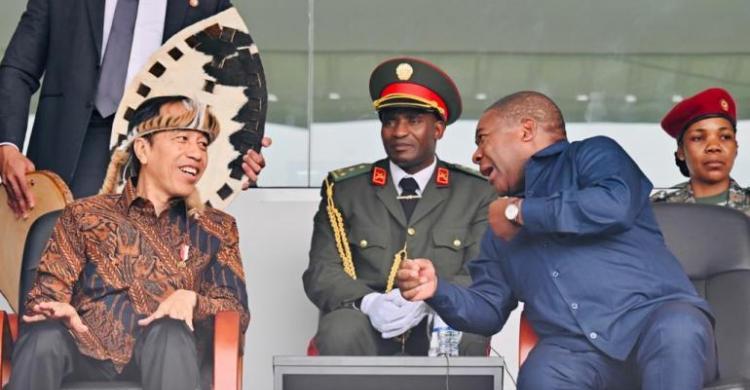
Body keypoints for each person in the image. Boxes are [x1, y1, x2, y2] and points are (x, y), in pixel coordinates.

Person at [398, 91, 718, 389]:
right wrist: (437, 290)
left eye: (483, 139)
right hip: (574, 350)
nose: (476, 154)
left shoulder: (591, 155)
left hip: (653, 323)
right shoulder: (499, 225)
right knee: (542, 372)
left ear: (526, 131)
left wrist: (521, 211)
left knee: (678, 329)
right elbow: (488, 309)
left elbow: (613, 205)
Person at [7, 95, 251, 390]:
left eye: (202, 144)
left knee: (170, 332)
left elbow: (235, 311)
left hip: (166, 356)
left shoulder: (215, 227)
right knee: (42, 335)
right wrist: (57, 310)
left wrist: (193, 300)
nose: (197, 154)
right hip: (85, 350)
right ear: (144, 149)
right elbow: (42, 298)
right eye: (183, 138)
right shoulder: (83, 215)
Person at [0, 0, 269, 219]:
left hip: (156, 152)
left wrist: (239, 157)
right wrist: (8, 146)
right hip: (70, 157)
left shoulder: (206, 4)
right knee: (58, 274)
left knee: (141, 275)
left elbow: (233, 86)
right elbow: (18, 69)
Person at [302, 57, 496, 356]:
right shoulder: (345, 190)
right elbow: (321, 271)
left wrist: (430, 296)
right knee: (339, 331)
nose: (399, 132)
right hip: (369, 320)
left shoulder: (476, 192)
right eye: (390, 120)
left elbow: (481, 272)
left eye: (414, 120)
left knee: (467, 332)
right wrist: (370, 302)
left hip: (439, 313)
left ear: (439, 128)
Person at [651, 87, 750, 215]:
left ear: (736, 147)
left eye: (725, 137)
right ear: (681, 151)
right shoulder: (659, 210)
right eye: (698, 138)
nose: (714, 146)